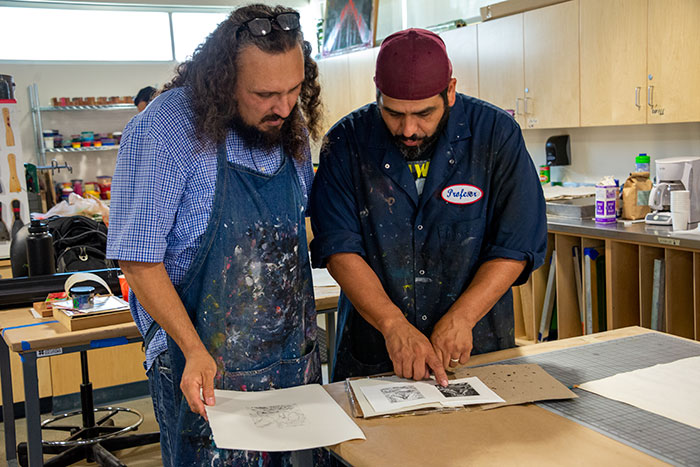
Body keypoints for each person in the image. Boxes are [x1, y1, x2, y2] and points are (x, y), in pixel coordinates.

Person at [107, 4, 323, 465]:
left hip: (290, 363)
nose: (283, 107)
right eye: (265, 93)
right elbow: (137, 260)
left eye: (294, 89)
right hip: (204, 368)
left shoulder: (289, 126)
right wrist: (191, 348)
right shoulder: (166, 130)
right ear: (224, 81)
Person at [310, 28, 547, 385]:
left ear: (450, 91)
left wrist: (463, 317)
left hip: (473, 350)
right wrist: (392, 325)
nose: (408, 129)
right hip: (375, 353)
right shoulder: (346, 143)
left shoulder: (496, 136)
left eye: (423, 114)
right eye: (392, 114)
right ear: (378, 96)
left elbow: (515, 244)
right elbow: (339, 249)